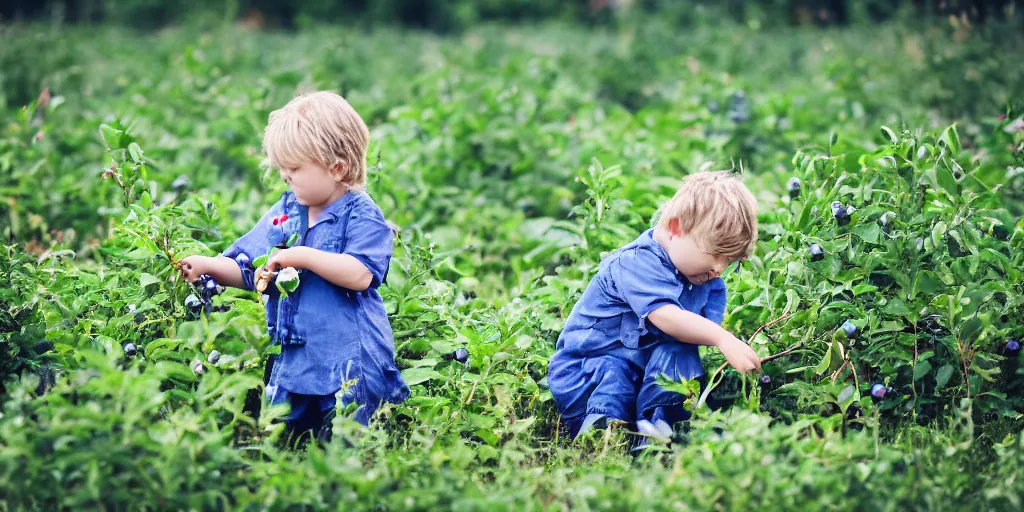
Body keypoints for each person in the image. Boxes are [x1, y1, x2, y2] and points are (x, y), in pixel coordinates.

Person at [177, 91, 409, 444]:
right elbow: (249, 267)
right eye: (282, 168)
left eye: (295, 168)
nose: (285, 176)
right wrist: (207, 266)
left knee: (352, 442)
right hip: (294, 361)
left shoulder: (361, 214)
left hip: (348, 364)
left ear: (337, 168)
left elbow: (361, 274)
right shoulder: (288, 210)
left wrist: (300, 255)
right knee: (285, 442)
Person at [547, 170, 761, 445]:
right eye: (716, 254)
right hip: (588, 372)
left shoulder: (698, 277)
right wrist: (722, 338)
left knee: (679, 352)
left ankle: (658, 428)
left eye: (729, 260)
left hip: (640, 371)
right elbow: (668, 318)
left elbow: (686, 334)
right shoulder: (636, 263)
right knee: (615, 377)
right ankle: (600, 438)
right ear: (675, 228)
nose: (719, 269)